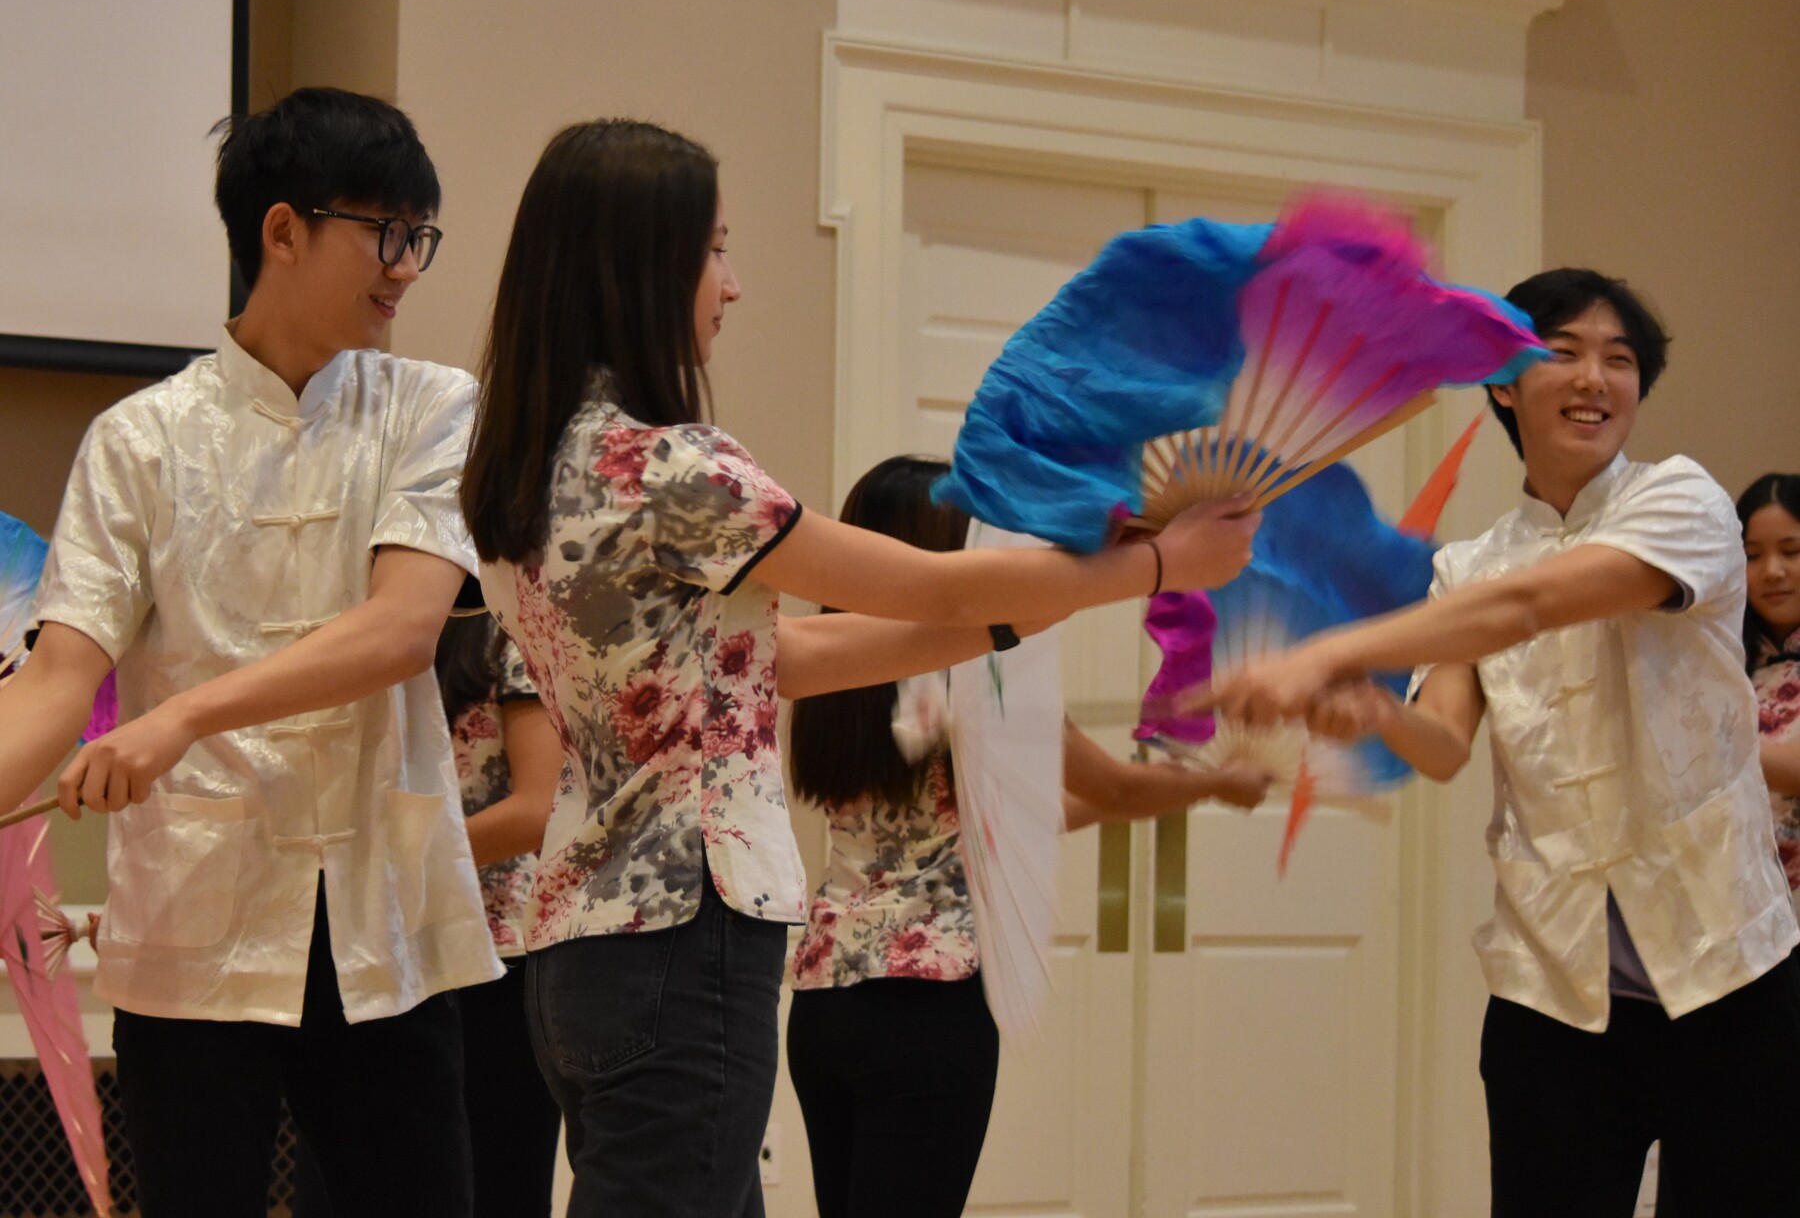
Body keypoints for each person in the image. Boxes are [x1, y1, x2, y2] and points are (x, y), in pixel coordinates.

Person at [460, 118, 1260, 1218]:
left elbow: (782, 659)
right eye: (715, 249)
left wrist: (999, 629)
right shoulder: (679, 469)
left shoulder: (537, 468)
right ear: (643, 266)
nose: (730, 285)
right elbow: (934, 583)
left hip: (577, 940)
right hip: (688, 933)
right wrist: (1162, 561)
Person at [0, 88, 498, 1218]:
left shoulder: (432, 406)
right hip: (195, 915)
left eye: (419, 236)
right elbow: (58, 679)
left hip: (381, 919)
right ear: (283, 231)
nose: (407, 265)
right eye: (385, 232)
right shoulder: (141, 439)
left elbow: (400, 629)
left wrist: (180, 716)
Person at [1208, 269, 1800, 1217]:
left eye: (1619, 360)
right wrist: (1373, 708)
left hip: (1728, 975)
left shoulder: (1683, 503)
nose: (1594, 379)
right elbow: (1443, 742)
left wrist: (1327, 650)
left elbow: (1533, 604)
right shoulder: (1466, 568)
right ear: (1501, 381)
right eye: (1561, 353)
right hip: (1550, 990)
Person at [784, 455, 1271, 1218]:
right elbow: (1112, 788)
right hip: (930, 1007)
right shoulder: (969, 673)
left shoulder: (835, 679)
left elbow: (995, 819)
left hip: (825, 1007)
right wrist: (1217, 780)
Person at [436, 614, 564, 1218]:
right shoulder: (366, 633)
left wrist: (408, 862)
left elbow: (539, 808)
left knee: (500, 1186)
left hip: (499, 956)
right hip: (387, 954)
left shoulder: (508, 635)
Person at [1739, 474, 1800, 917]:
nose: (1773, 570)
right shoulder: (1724, 664)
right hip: (1751, 920)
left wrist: (1714, 752)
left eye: (1792, 551)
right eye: (1752, 556)